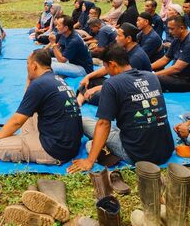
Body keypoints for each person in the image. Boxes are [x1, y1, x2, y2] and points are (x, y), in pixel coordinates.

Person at [68, 43, 174, 173]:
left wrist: (89, 161)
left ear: (112, 64)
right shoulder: (151, 76)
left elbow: (103, 124)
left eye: (106, 67)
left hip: (138, 154)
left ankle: (104, 153)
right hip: (166, 150)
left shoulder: (112, 84)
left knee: (83, 123)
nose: (106, 72)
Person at [0, 49, 83, 165]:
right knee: (28, 113)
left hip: (56, 150)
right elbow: (26, 103)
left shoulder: (39, 84)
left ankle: (25, 142)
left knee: (1, 146)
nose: (27, 67)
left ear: (34, 66)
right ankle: (26, 140)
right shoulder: (57, 79)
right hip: (71, 144)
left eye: (27, 64)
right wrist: (30, 78)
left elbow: (17, 122)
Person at [76, 26, 152, 107]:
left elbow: (122, 82)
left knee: (99, 95)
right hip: (121, 82)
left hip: (133, 91)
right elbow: (107, 68)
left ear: (129, 38)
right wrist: (88, 76)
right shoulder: (125, 49)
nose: (116, 38)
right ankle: (79, 102)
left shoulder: (136, 57)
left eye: (119, 36)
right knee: (91, 80)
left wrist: (94, 89)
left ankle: (83, 99)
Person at [151, 16, 190, 92]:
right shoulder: (176, 40)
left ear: (182, 28)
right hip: (177, 76)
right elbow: (165, 59)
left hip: (189, 81)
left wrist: (153, 75)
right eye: (169, 28)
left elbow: (177, 68)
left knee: (152, 80)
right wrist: (148, 67)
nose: (169, 31)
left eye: (172, 29)